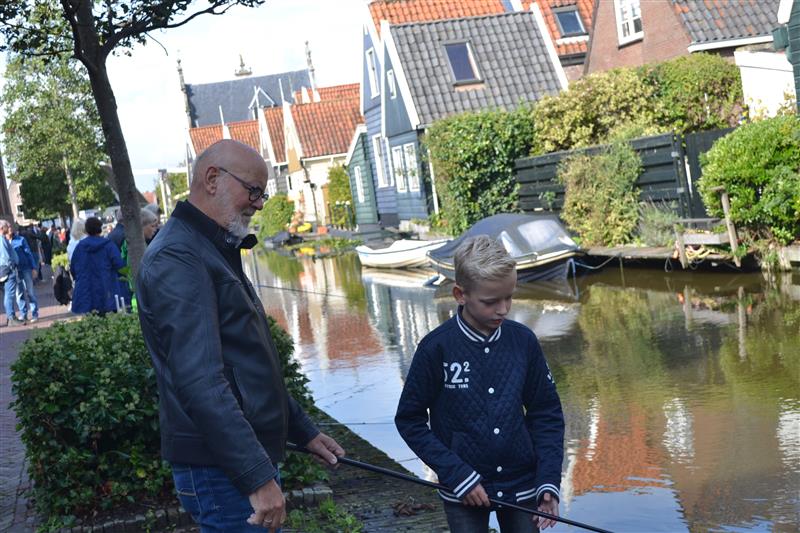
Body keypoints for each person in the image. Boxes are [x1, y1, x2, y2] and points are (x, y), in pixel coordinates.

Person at [136, 139, 344, 533]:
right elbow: (200, 381)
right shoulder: (179, 257)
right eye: (253, 191)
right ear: (212, 179)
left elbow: (246, 364)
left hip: (232, 464)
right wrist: (255, 477)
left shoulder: (208, 247)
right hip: (221, 470)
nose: (260, 204)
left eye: (262, 194)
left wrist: (303, 430)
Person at [395, 235, 565, 533]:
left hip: (522, 486)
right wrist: (455, 473)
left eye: (509, 297)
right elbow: (410, 420)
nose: (503, 309)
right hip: (462, 489)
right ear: (460, 294)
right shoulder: (436, 348)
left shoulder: (523, 342)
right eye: (490, 301)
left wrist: (548, 480)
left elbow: (546, 413)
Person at [70, 217, 125, 315]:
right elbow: (120, 266)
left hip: (87, 291)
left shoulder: (80, 247)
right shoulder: (109, 245)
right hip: (107, 289)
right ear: (100, 229)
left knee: (92, 319)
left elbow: (73, 268)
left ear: (86, 230)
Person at [11, 226, 39, 323]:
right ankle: (23, 314)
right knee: (19, 294)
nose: (10, 229)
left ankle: (34, 313)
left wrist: (33, 268)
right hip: (14, 271)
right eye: (8, 228)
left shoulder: (21, 239)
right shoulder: (4, 242)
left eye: (11, 227)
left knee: (30, 292)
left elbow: (28, 253)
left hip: (25, 268)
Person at [1, 220, 24, 327]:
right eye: (7, 226)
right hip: (7, 270)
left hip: (5, 270)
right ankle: (11, 318)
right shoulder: (1, 240)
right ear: (2, 228)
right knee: (9, 295)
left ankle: (10, 316)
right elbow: (5, 257)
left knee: (7, 295)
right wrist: (11, 267)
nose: (9, 227)